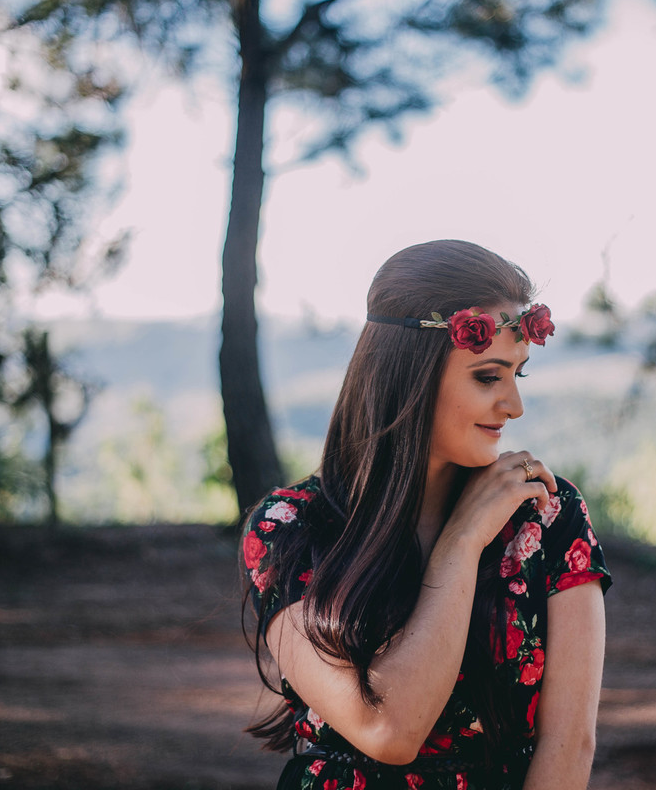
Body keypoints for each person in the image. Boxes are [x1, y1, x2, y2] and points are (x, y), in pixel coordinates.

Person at [243, 240, 611, 790]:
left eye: (519, 375)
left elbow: (570, 744)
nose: (514, 405)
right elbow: (389, 731)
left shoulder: (547, 516)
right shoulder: (289, 528)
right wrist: (461, 542)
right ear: (409, 378)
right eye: (488, 377)